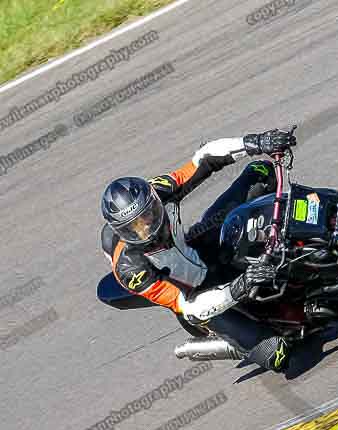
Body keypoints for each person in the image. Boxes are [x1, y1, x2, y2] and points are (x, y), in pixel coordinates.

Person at [100, 128, 296, 370]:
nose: (147, 228)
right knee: (277, 354)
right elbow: (189, 308)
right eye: (135, 228)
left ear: (153, 202)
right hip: (197, 295)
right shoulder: (131, 269)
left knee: (260, 172)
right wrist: (242, 285)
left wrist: (255, 142)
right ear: (123, 232)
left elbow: (204, 159)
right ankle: (228, 342)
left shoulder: (159, 190)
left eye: (148, 215)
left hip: (196, 247)